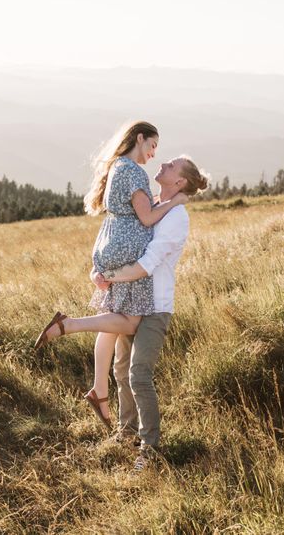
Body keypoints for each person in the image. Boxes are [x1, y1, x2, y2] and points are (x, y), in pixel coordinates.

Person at [33, 120, 186, 429]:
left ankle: (99, 392)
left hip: (110, 242)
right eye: (153, 146)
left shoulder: (118, 166)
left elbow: (137, 208)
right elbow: (146, 217)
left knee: (112, 320)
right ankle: (69, 325)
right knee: (128, 321)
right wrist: (176, 202)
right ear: (139, 139)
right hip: (127, 248)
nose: (154, 154)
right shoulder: (134, 171)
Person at [99, 155, 208, 471]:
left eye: (172, 166)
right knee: (121, 369)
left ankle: (149, 449)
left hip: (156, 306)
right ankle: (127, 430)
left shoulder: (176, 217)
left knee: (138, 374)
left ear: (181, 182)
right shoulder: (150, 205)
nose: (163, 164)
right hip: (131, 300)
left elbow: (149, 262)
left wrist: (112, 277)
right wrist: (101, 268)